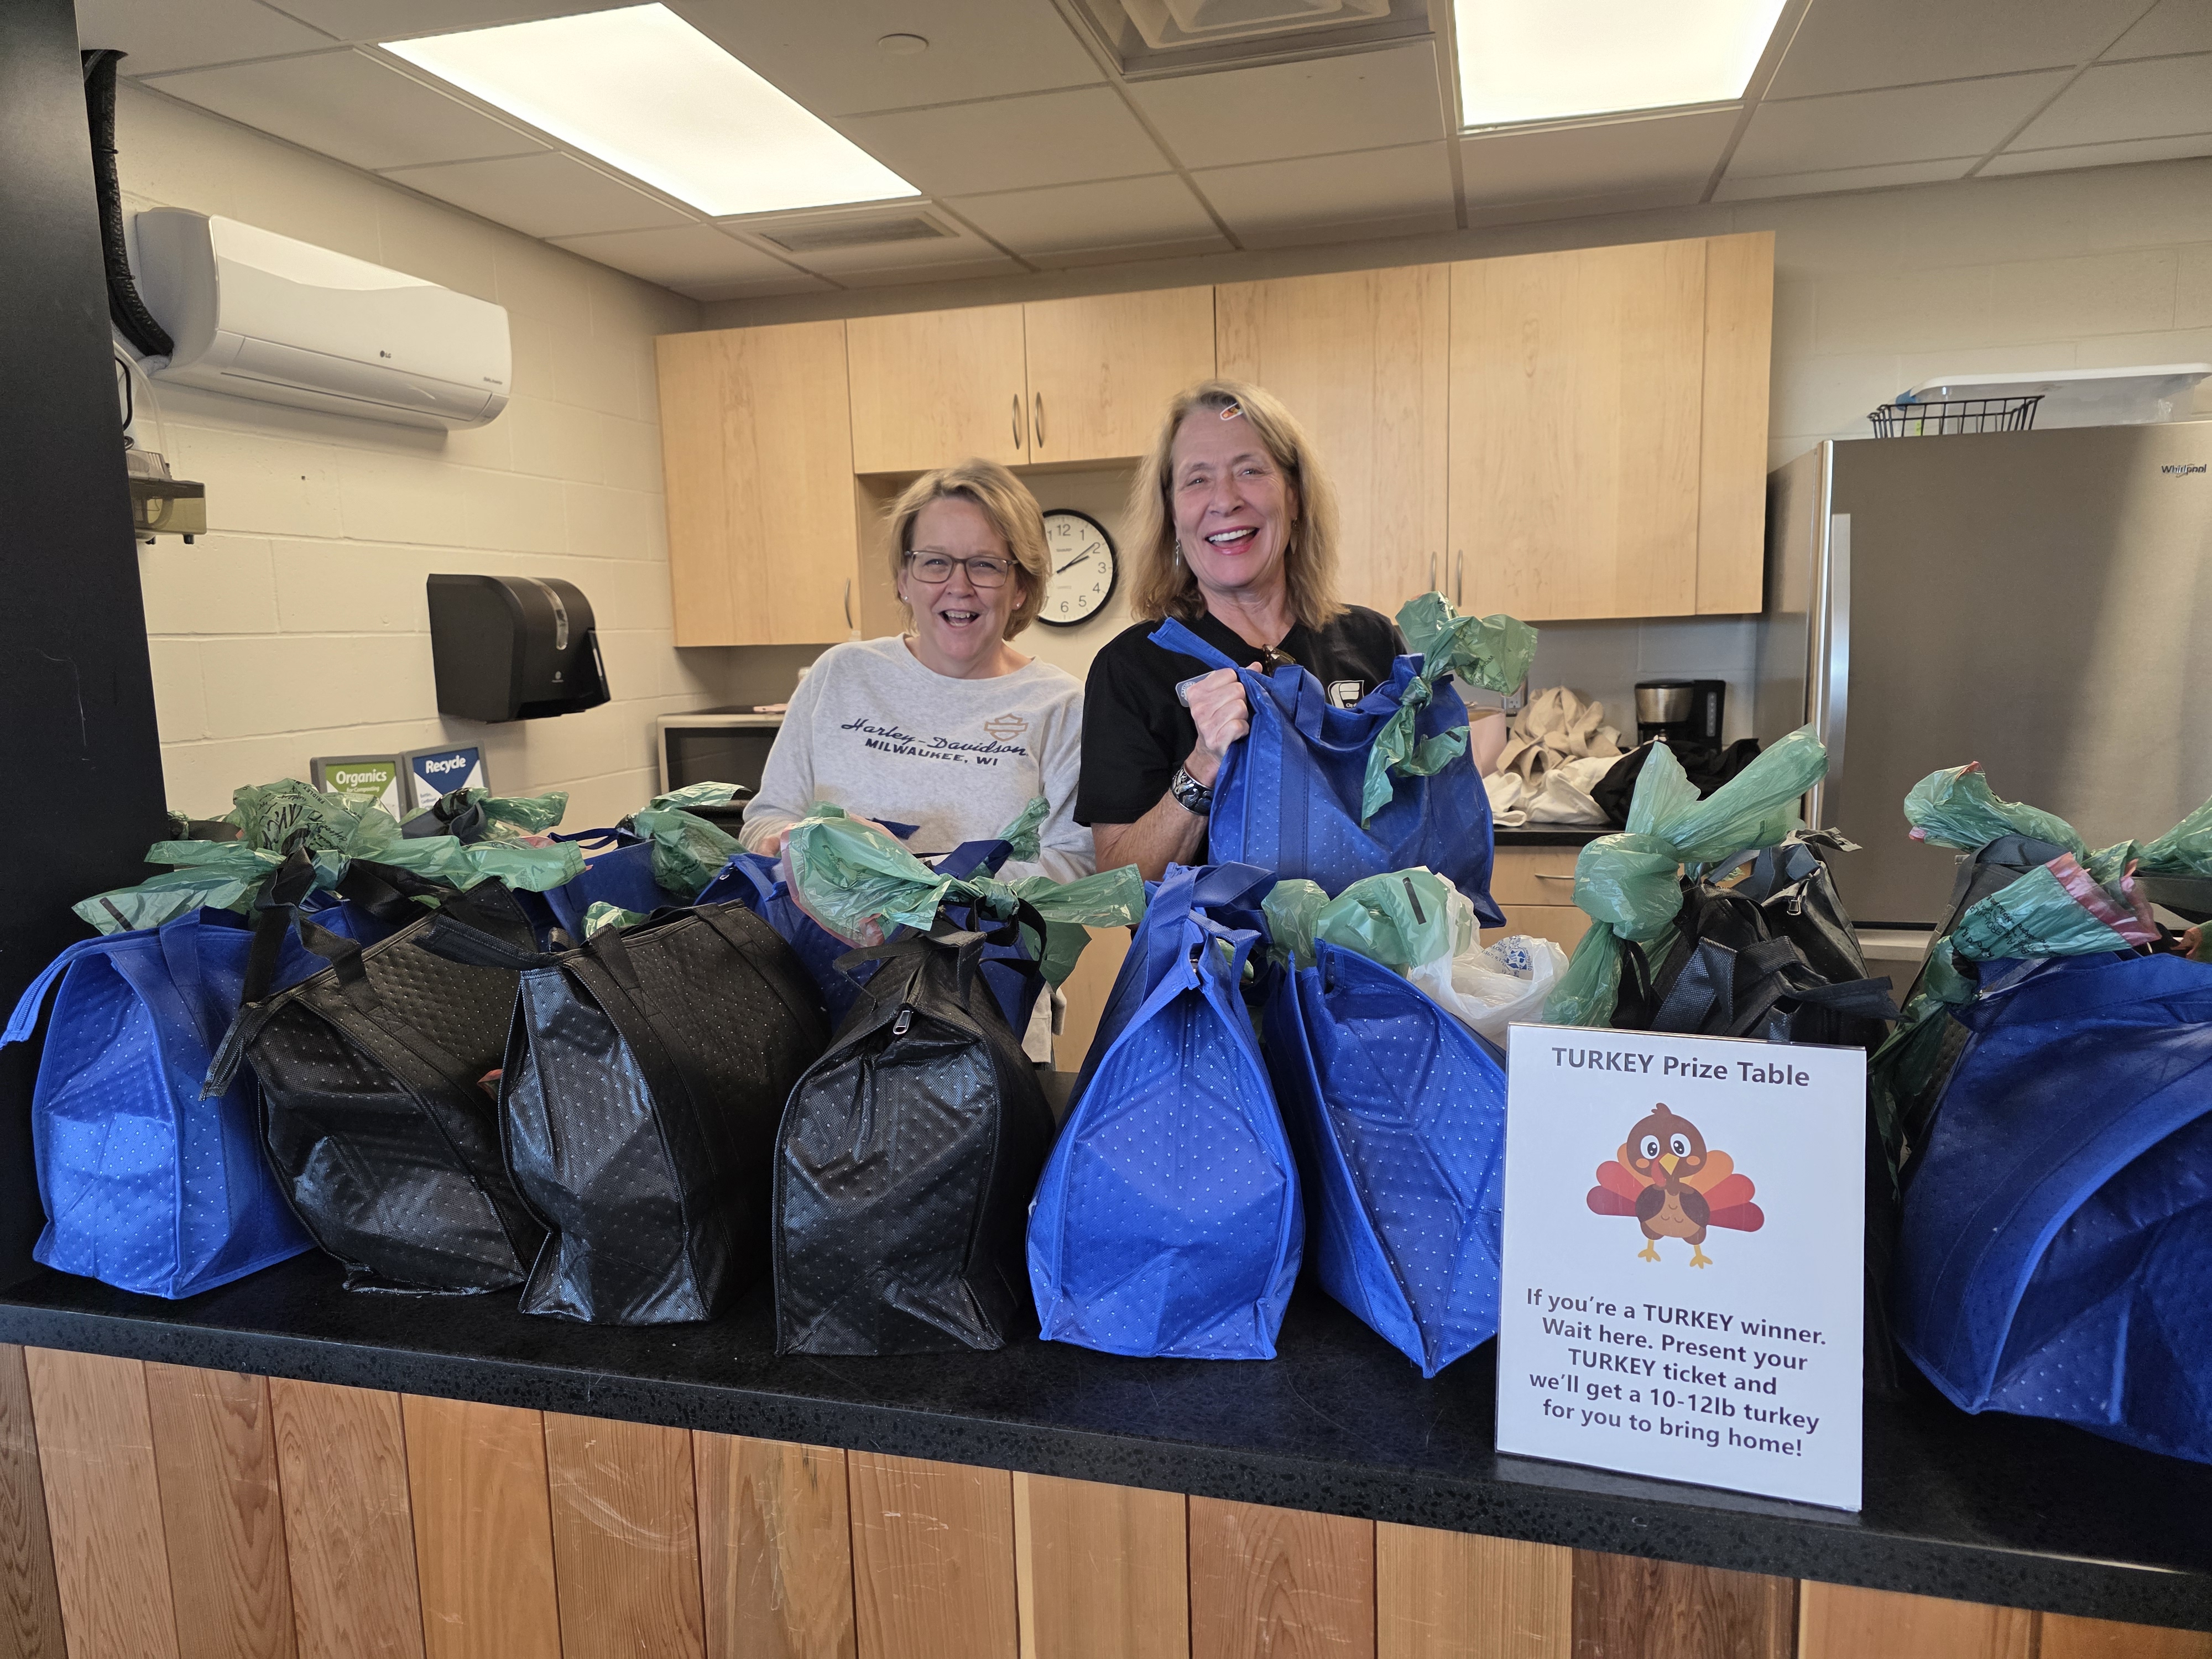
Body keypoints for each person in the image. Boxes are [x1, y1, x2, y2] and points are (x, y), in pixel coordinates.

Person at [1077, 379, 1506, 881]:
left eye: (1250, 471)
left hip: (1364, 953)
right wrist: (1202, 765)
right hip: (1213, 961)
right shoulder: (1132, 668)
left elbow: (1417, 826)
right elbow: (1118, 884)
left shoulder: (1372, 642)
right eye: (1196, 480)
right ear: (1172, 514)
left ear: (1296, 496)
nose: (1225, 500)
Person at [741, 460, 1094, 1056]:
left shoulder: (1061, 704)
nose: (958, 586)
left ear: (1022, 587)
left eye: (985, 564)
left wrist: (921, 882)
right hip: (817, 1004)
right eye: (933, 561)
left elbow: (1074, 868)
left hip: (984, 1015)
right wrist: (811, 845)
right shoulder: (841, 675)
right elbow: (766, 819)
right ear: (904, 579)